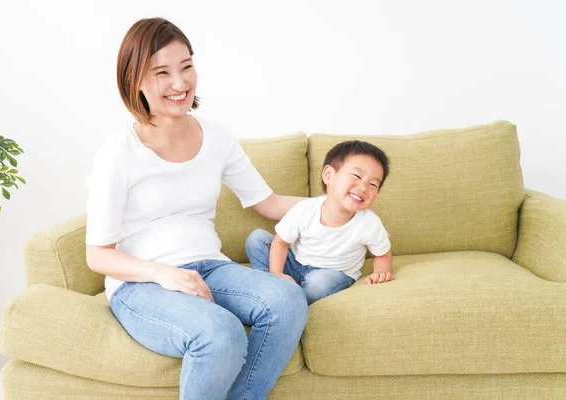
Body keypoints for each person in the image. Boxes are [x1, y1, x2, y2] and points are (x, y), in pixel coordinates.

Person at [85, 17, 308, 400]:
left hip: (211, 266)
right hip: (141, 284)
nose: (180, 83)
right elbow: (97, 256)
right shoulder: (118, 152)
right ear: (135, 80)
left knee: (287, 300)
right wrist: (162, 273)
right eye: (162, 73)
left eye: (186, 66)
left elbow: (268, 203)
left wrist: (334, 204)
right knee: (220, 334)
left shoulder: (217, 138)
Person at [245, 140, 394, 305]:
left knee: (318, 285)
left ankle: (286, 300)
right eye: (357, 176)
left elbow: (382, 253)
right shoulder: (304, 209)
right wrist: (277, 272)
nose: (363, 187)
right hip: (295, 263)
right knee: (256, 239)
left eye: (373, 184)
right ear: (329, 175)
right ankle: (273, 286)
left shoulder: (369, 223)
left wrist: (381, 272)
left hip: (334, 272)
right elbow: (280, 242)